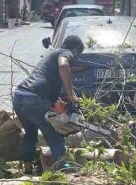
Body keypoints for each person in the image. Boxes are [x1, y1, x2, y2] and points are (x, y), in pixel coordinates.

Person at [12, 35, 85, 171]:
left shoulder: (51, 52)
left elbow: (49, 79)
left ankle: (27, 169)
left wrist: (56, 101)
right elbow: (64, 65)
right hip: (34, 99)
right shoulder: (65, 52)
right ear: (75, 51)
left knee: (30, 133)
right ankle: (62, 170)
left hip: (20, 96)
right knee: (54, 134)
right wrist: (70, 94)